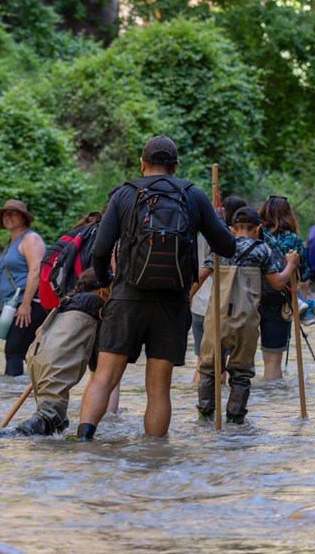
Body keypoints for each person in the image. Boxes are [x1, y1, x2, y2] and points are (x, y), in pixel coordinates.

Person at [75, 135, 236, 440]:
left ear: (142, 163)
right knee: (158, 387)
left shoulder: (125, 194)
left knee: (104, 376)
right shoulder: (193, 195)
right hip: (172, 301)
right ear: (175, 166)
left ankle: (84, 441)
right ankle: (154, 456)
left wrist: (107, 282)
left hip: (126, 296)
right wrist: (219, 221)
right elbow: (226, 247)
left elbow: (100, 249)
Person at [194, 206, 300, 424]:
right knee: (241, 374)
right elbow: (278, 282)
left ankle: (205, 417)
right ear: (257, 229)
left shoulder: (219, 249)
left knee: (208, 369)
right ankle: (235, 421)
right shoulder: (262, 251)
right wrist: (290, 265)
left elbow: (197, 280)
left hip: (217, 318)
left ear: (232, 229)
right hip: (246, 320)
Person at [0, 269, 109, 437]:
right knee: (49, 416)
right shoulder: (95, 301)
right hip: (57, 359)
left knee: (54, 419)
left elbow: (39, 330)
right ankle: (16, 434)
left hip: (37, 355)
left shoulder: (68, 301)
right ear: (102, 289)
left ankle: (14, 434)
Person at [0, 199, 47, 376]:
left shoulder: (30, 238)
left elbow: (36, 270)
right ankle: (29, 394)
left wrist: (26, 304)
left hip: (30, 305)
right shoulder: (10, 244)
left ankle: (11, 397)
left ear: (23, 218)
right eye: (5, 214)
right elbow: (6, 282)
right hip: (13, 306)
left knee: (14, 352)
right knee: (27, 354)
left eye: (13, 213)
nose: (8, 217)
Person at [191, 195, 246, 384]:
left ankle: (194, 403)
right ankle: (218, 405)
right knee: (223, 363)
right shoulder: (225, 240)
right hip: (220, 306)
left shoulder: (198, 236)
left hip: (198, 303)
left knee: (202, 362)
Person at [257, 196, 310, 379]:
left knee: (237, 356)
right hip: (280, 303)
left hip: (251, 298)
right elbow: (304, 272)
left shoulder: (255, 233)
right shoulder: (292, 239)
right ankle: (274, 402)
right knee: (273, 362)